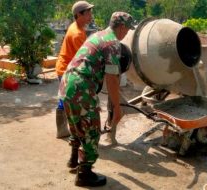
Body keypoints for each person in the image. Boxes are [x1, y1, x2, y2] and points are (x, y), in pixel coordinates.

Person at [58, 11, 135, 187]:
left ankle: (73, 161)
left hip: (67, 83)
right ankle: (84, 174)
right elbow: (112, 79)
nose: (127, 33)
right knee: (92, 131)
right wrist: (117, 108)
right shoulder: (113, 43)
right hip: (81, 88)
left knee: (77, 124)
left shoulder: (98, 35)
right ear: (122, 27)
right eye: (127, 29)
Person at [55, 0, 94, 140]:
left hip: (64, 66)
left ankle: (62, 130)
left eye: (91, 12)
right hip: (66, 69)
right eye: (88, 13)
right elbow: (83, 58)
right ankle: (71, 130)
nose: (91, 15)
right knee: (72, 101)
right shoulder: (77, 33)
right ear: (78, 14)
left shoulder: (77, 26)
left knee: (64, 99)